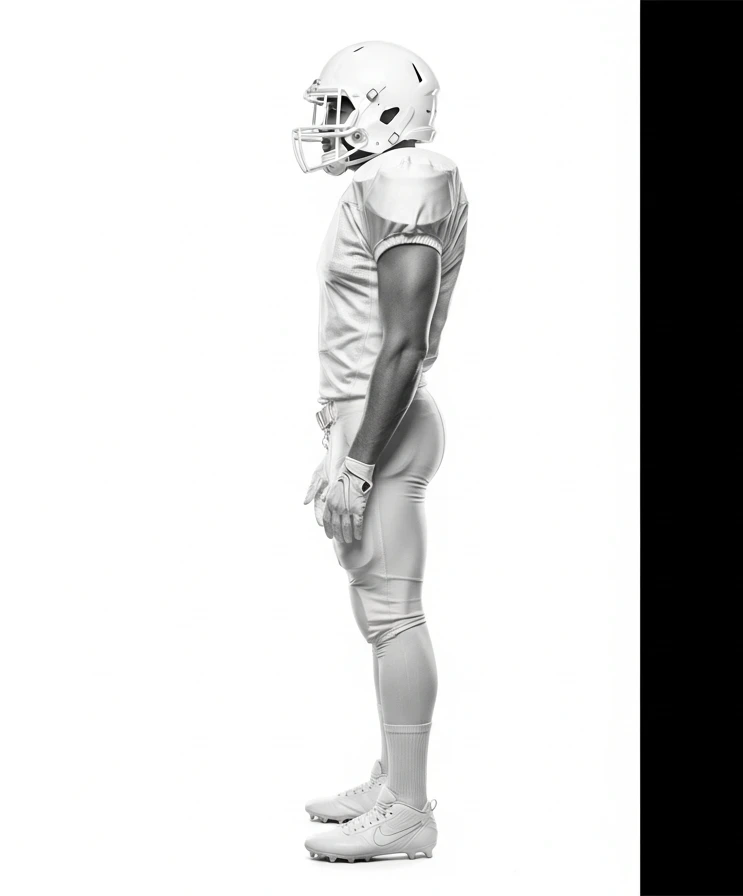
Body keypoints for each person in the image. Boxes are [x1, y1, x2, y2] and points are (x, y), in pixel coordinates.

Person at [291, 40, 469, 863]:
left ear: (385, 108)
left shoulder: (408, 176)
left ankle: (408, 808)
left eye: (339, 108)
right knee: (379, 614)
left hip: (385, 426)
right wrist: (338, 446)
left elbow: (400, 344)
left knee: (394, 618)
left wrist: (359, 460)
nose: (326, 127)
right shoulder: (383, 182)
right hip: (367, 423)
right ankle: (392, 775)